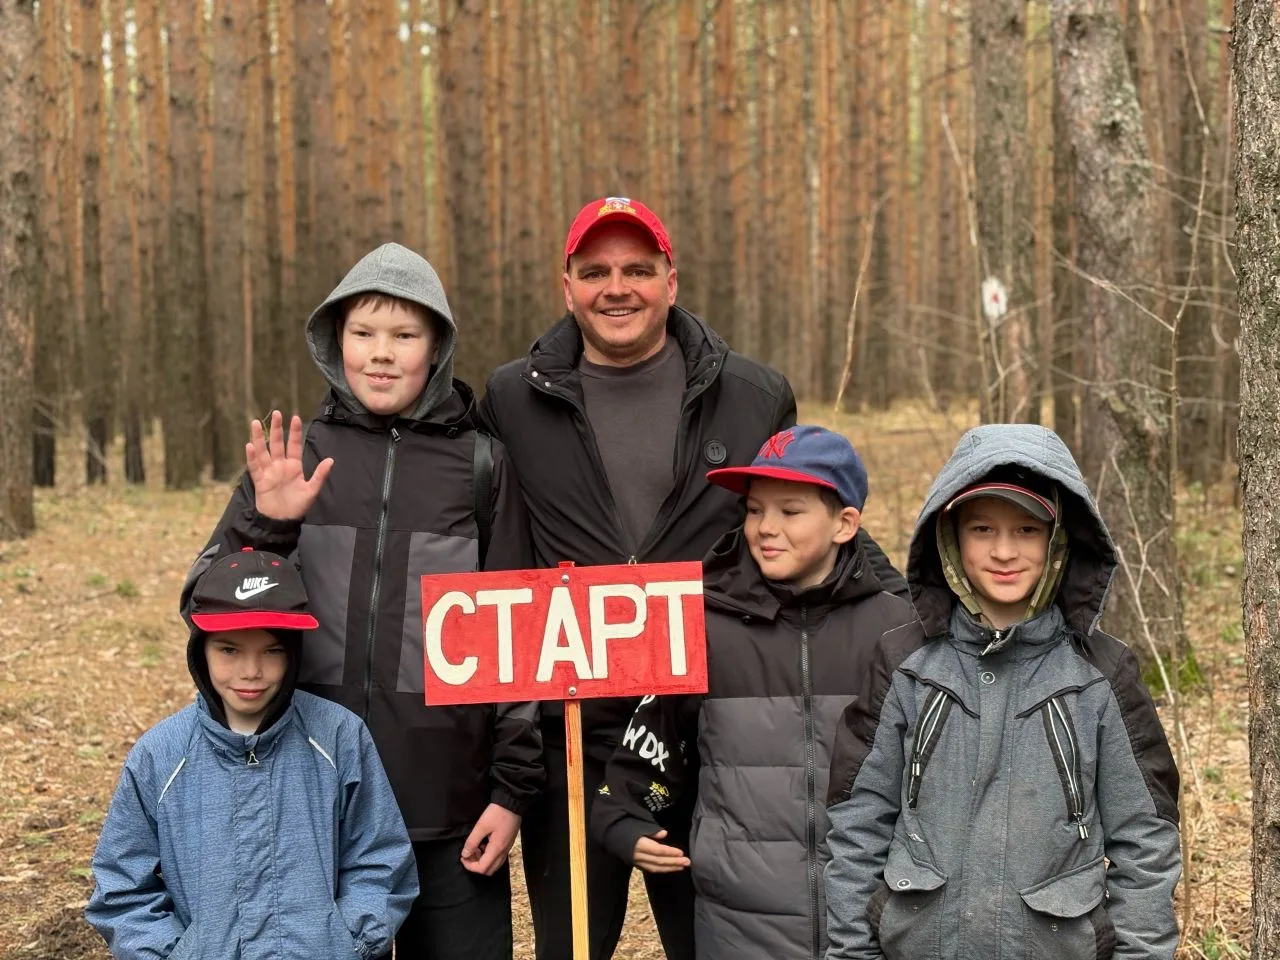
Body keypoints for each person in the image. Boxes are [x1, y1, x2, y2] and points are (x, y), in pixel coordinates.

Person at [478, 196, 908, 960]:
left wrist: (911, 609)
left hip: (701, 733)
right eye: (595, 272)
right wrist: (511, 763)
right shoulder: (513, 397)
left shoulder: (752, 394)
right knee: (569, 947)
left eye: (638, 270)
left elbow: (799, 514)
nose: (617, 288)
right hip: (571, 736)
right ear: (566, 287)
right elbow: (496, 554)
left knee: (709, 942)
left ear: (671, 282)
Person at [181, 243, 541, 959]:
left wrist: (509, 794)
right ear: (334, 341)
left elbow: (519, 638)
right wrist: (267, 525)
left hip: (449, 807)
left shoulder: (482, 466)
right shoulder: (298, 457)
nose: (381, 353)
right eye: (363, 333)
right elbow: (204, 604)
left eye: (404, 334)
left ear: (436, 347)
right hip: (312, 804)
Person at [824, 423, 1181, 960]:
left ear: (1059, 539)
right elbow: (858, 823)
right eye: (983, 528)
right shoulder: (904, 665)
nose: (1005, 551)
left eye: (1028, 530)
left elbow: (1146, 842)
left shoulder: (1102, 675)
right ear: (950, 537)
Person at [591, 425, 922, 960]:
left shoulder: (900, 631)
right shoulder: (702, 629)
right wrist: (622, 819)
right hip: (737, 924)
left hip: (872, 923)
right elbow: (648, 751)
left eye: (790, 512)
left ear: (844, 524)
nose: (766, 527)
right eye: (754, 510)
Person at [87, 549, 417, 959]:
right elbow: (122, 887)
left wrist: (348, 945)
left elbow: (380, 859)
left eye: (271, 651)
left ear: (294, 652)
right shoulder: (161, 754)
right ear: (200, 651)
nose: (250, 671)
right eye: (229, 650)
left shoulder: (339, 736)